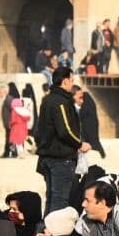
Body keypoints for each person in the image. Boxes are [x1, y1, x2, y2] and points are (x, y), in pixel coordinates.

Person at [36, 66, 87, 212]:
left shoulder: (47, 99)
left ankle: (46, 232)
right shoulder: (60, 101)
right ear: (65, 81)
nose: (72, 83)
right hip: (60, 158)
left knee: (51, 200)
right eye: (71, 80)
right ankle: (54, 234)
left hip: (48, 156)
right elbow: (64, 130)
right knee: (59, 202)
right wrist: (79, 144)